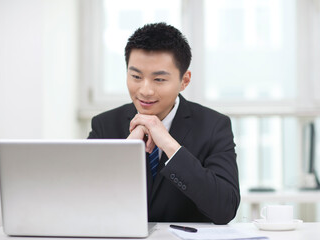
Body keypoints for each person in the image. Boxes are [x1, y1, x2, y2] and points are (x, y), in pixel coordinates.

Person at [88, 22, 240, 224]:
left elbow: (225, 209)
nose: (145, 90)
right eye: (136, 76)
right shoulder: (104, 125)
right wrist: (125, 151)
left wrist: (170, 146)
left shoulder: (213, 126)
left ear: (184, 80)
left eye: (159, 79)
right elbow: (86, 199)